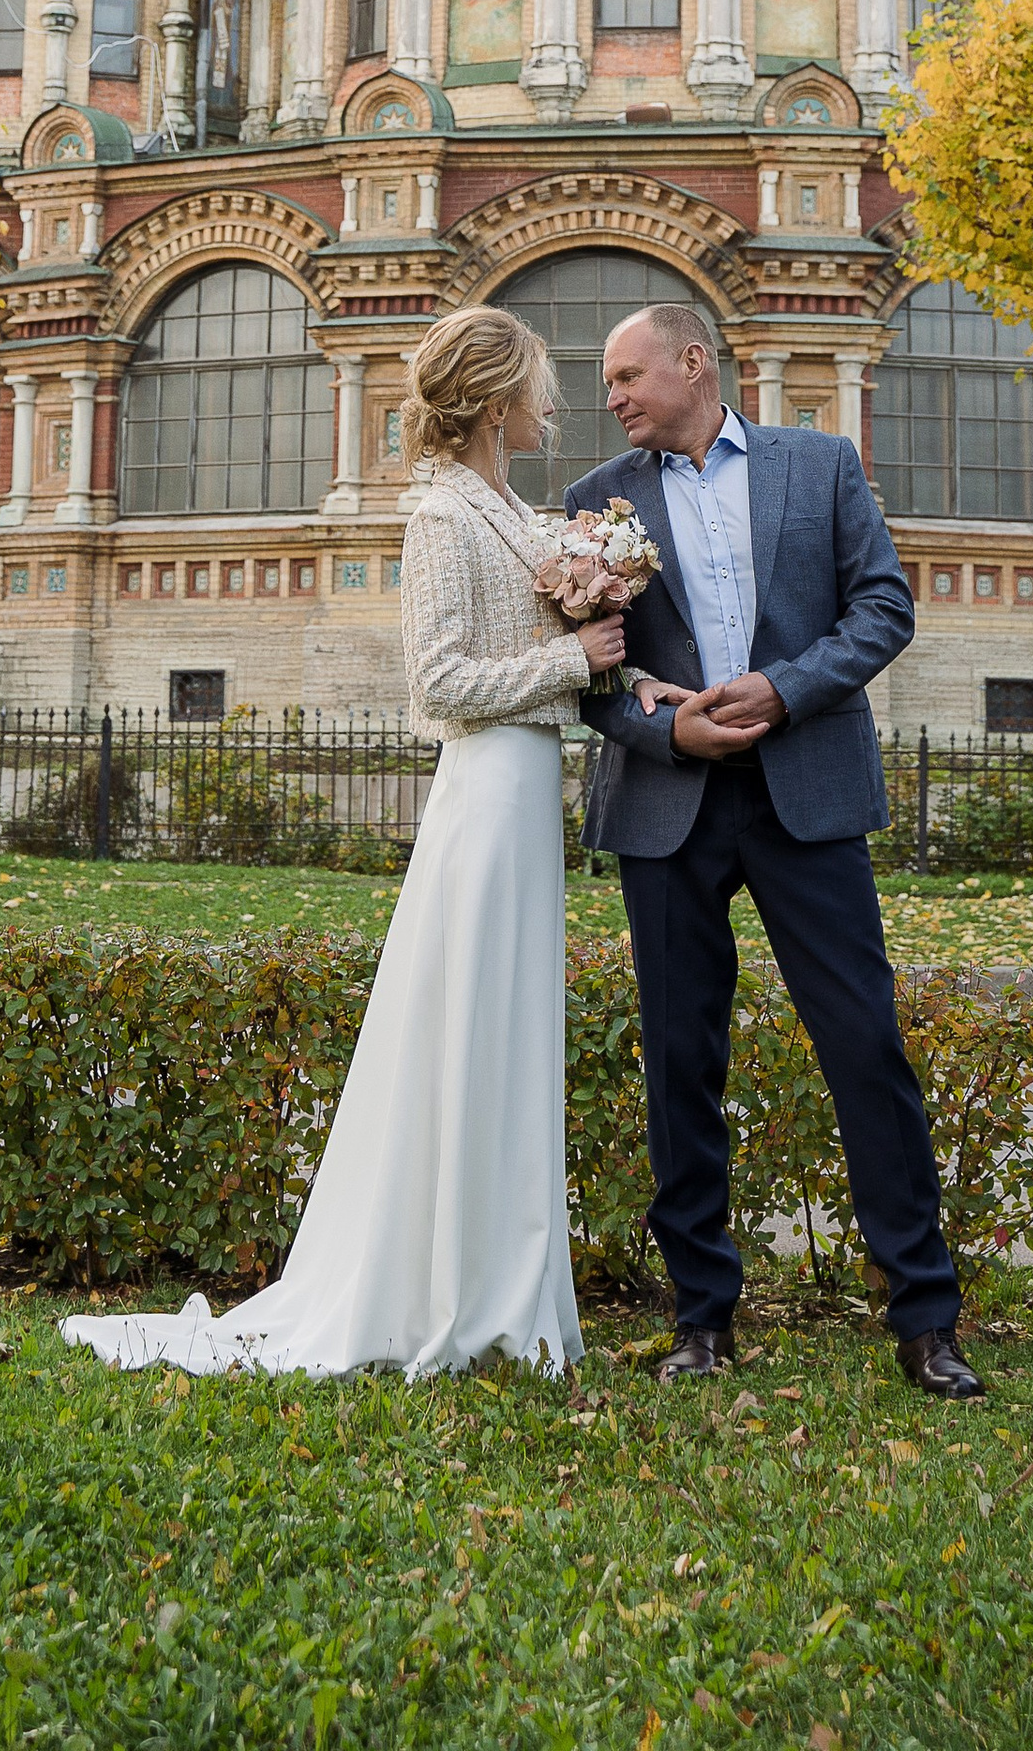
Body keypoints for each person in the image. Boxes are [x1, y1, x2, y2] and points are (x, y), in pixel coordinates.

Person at [61, 301, 617, 1379]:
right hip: (486, 789)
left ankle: (500, 1283)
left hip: (525, 790)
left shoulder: (511, 507)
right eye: (540, 384)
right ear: (499, 397)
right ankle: (456, 1292)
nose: (554, 403)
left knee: (506, 1027)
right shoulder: (444, 514)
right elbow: (439, 685)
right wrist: (574, 660)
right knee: (471, 1023)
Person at [569, 299, 982, 1400]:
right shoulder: (592, 503)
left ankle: (926, 1320)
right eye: (608, 383)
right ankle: (701, 1320)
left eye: (625, 374)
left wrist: (783, 688)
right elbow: (591, 680)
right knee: (679, 1066)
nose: (609, 397)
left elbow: (883, 609)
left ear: (693, 363)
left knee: (865, 1049)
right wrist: (667, 727)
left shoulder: (821, 463)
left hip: (810, 797)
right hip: (669, 810)